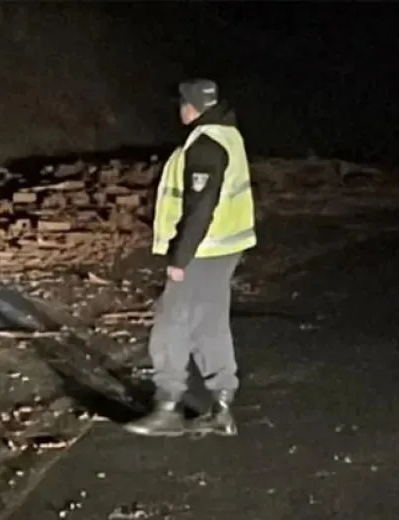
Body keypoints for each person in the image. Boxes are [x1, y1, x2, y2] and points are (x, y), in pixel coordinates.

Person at [124, 79, 257, 437]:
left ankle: (167, 406)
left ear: (195, 106)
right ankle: (222, 408)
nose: (179, 109)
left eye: (182, 103)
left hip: (204, 249)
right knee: (209, 323)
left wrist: (179, 258)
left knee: (171, 322)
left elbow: (200, 209)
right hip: (224, 247)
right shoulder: (228, 135)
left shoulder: (206, 145)